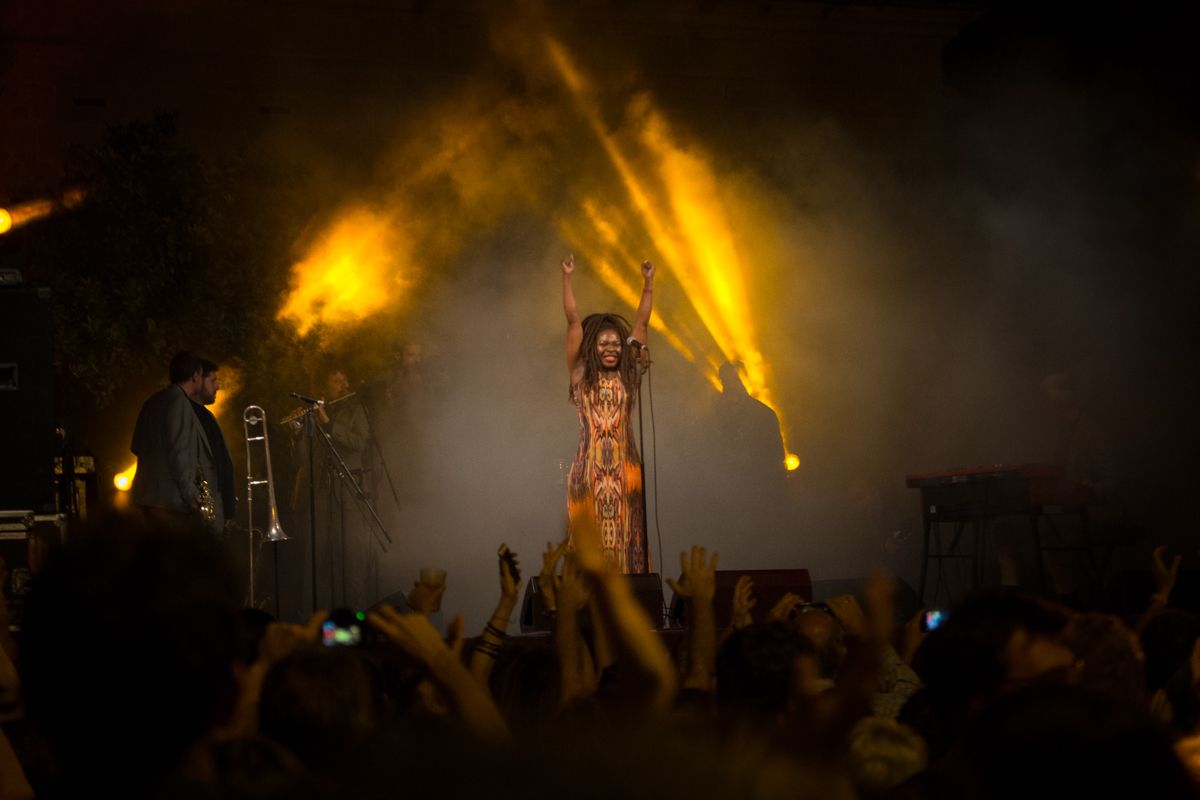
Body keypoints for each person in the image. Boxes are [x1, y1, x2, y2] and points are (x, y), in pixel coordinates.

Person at [561, 253, 654, 573]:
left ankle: (634, 603)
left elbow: (641, 325)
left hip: (626, 469)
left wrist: (648, 285)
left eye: (615, 343)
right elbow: (574, 322)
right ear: (591, 347)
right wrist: (568, 277)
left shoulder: (629, 375)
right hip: (589, 470)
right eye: (603, 343)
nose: (611, 348)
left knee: (630, 538)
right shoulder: (580, 374)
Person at [292, 367, 375, 610]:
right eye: (336, 380)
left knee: (352, 559)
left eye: (345, 379)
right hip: (321, 494)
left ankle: (355, 617)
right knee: (316, 559)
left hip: (349, 493)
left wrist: (328, 423)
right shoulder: (313, 413)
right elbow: (303, 460)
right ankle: (313, 617)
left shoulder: (356, 410)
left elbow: (359, 443)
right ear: (324, 387)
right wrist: (297, 434)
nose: (343, 384)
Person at [130, 350, 227, 535]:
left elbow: (136, 447)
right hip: (170, 502)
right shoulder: (179, 403)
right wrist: (190, 493)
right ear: (195, 375)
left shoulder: (152, 402)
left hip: (146, 498)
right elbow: (179, 452)